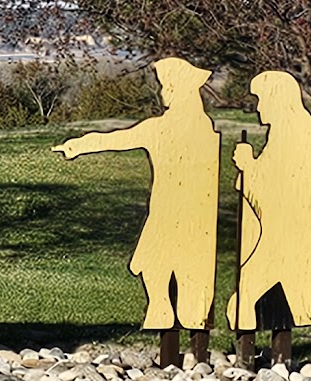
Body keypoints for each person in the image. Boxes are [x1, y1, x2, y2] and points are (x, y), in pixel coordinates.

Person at [56, 58, 218, 335]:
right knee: (157, 263)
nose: (162, 92)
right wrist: (80, 145)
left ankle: (175, 311)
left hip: (178, 211)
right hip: (184, 211)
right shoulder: (191, 129)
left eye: (167, 86)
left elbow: (116, 139)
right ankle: (168, 311)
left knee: (159, 262)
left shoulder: (170, 129)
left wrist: (79, 145)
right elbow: (115, 139)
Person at [227, 70, 311, 332]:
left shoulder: (302, 143)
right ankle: (253, 358)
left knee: (245, 301)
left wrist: (248, 168)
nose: (259, 107)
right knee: (244, 302)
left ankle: (263, 359)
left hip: (289, 242)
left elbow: (283, 197)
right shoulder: (279, 142)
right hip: (277, 238)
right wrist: (250, 168)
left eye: (262, 99)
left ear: (279, 101)